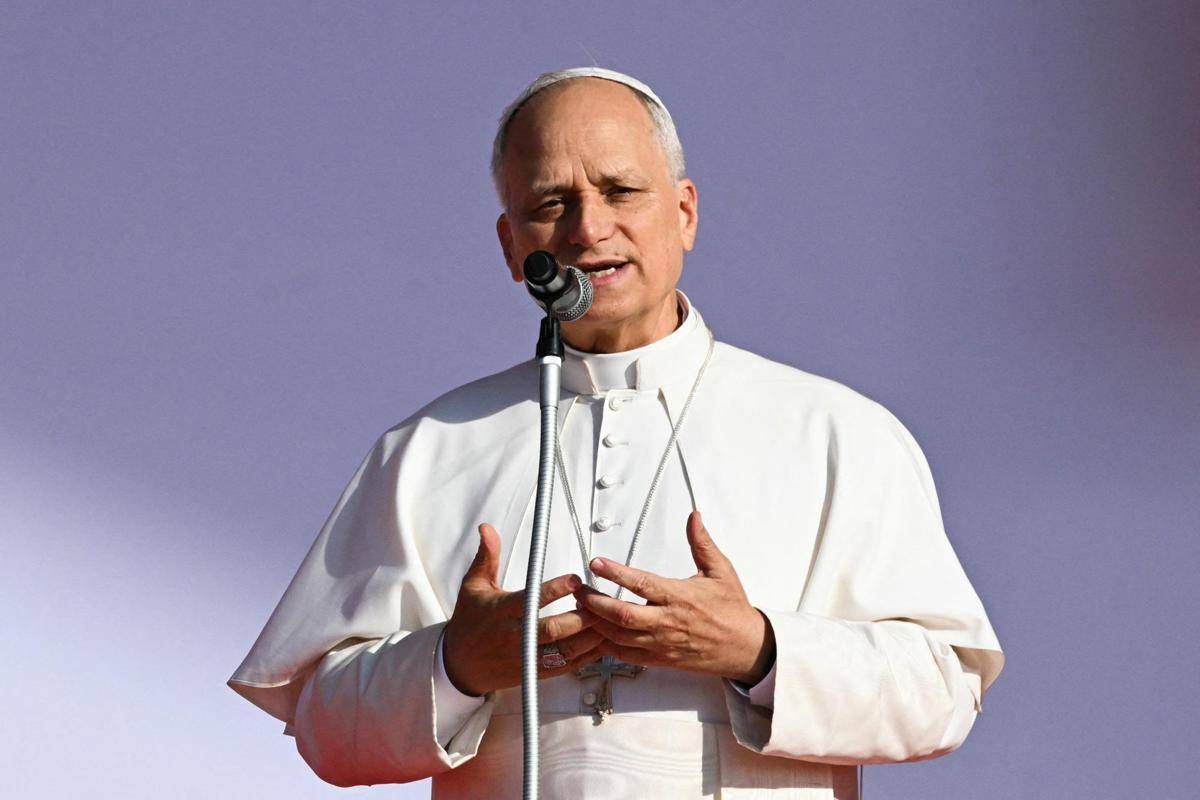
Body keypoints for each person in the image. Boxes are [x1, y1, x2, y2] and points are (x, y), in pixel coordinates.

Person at [228, 67, 1004, 799]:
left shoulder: (835, 432)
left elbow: (942, 693)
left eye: (621, 190)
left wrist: (757, 649)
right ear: (511, 245)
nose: (588, 228)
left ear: (685, 213)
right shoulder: (430, 449)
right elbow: (324, 726)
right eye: (550, 203)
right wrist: (454, 663)